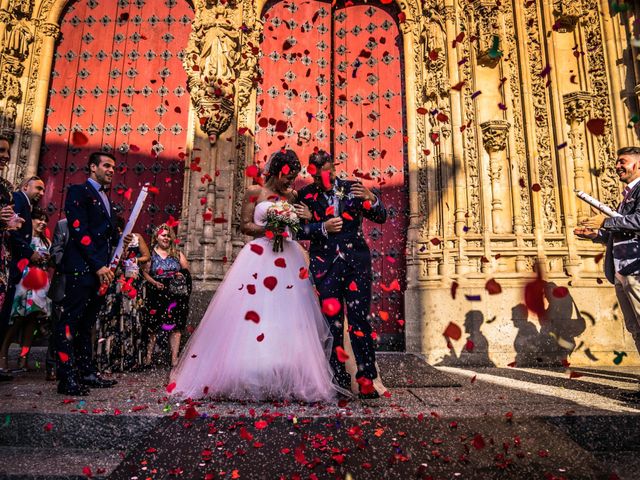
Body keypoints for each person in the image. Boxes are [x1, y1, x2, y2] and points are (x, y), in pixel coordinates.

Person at [169, 149, 345, 402]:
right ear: (276, 171)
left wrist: (296, 223)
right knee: (254, 312)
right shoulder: (254, 192)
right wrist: (269, 228)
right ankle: (251, 373)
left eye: (294, 177)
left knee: (287, 313)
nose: (290, 182)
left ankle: (286, 372)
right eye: (287, 176)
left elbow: (300, 226)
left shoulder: (294, 195)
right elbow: (244, 226)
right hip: (260, 255)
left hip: (288, 256)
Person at [298, 149, 387, 399]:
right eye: (316, 176)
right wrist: (320, 227)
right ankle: (339, 380)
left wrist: (372, 198)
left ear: (333, 168)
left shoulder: (353, 188)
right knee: (333, 324)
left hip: (356, 265)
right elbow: (296, 230)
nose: (322, 179)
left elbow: (380, 217)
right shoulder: (305, 195)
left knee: (359, 320)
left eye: (326, 172)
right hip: (324, 266)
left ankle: (367, 379)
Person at [55, 152, 128, 395]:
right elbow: (79, 230)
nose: (111, 170)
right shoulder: (79, 191)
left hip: (100, 272)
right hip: (82, 268)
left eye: (113, 167)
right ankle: (66, 378)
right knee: (69, 322)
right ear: (92, 167)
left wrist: (121, 242)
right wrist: (98, 265)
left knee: (86, 324)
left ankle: (86, 372)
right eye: (106, 165)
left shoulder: (107, 199)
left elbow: (103, 234)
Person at [576, 146, 640, 400]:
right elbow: (624, 231)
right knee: (635, 328)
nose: (617, 166)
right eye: (616, 162)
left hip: (637, 268)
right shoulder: (627, 195)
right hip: (622, 271)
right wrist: (597, 235)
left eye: (622, 162)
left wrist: (606, 222)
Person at [0, 207, 51, 371]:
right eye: (38, 219)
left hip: (40, 283)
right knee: (17, 319)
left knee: (32, 320)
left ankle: (24, 358)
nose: (42, 222)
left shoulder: (46, 241)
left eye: (45, 220)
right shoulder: (22, 238)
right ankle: (3, 356)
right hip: (24, 281)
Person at [96, 216, 150, 372]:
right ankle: (108, 359)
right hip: (113, 282)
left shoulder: (136, 238)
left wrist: (135, 261)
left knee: (130, 317)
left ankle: (129, 359)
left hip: (131, 282)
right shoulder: (108, 240)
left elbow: (147, 256)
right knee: (110, 317)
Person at [141, 224, 190, 369]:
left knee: (175, 327)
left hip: (174, 294)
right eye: (163, 235)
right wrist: (155, 282)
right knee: (152, 327)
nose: (166, 238)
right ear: (156, 237)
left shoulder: (177, 253)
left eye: (168, 236)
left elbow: (187, 271)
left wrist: (181, 274)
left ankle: (174, 358)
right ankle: (148, 358)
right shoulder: (150, 254)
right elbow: (144, 272)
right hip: (156, 293)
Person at [0, 134, 23, 381]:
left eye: (8, 151)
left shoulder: (5, 187)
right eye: (1, 150)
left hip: (3, 256)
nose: (6, 156)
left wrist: (11, 223)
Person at [45, 217, 68, 381]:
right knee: (58, 327)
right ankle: (52, 365)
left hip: (84, 285)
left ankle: (71, 365)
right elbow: (56, 251)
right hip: (64, 283)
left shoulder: (92, 224)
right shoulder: (62, 225)